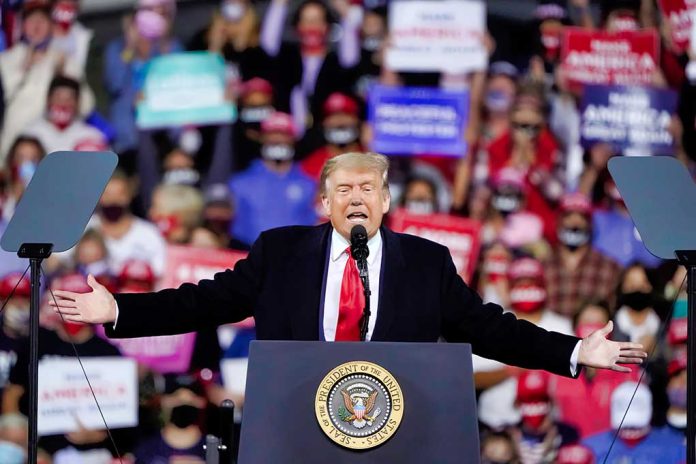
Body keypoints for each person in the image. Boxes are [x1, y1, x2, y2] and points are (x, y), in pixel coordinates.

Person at [50, 153, 646, 386]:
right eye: (344, 188)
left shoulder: (426, 262)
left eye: (369, 188)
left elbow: (489, 328)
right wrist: (121, 309)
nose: (356, 196)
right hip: (294, 418)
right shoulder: (281, 252)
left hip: (398, 424)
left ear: (387, 202)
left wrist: (573, 352)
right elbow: (203, 301)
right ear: (325, 202)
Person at [21, 75, 107, 154]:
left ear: (78, 103)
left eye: (69, 99)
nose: (63, 104)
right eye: (58, 98)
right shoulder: (31, 134)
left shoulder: (92, 137)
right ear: (48, 100)